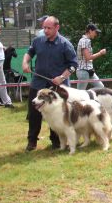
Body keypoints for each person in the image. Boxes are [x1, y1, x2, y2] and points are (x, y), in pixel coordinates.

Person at [22, 16, 77, 151]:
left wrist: (62, 77)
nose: (45, 30)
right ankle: (32, 141)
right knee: (34, 113)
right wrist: (25, 62)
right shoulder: (38, 41)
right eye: (44, 27)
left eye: (49, 28)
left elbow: (73, 65)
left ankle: (57, 141)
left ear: (57, 28)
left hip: (57, 86)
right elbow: (29, 53)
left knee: (57, 114)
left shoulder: (65, 44)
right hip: (38, 83)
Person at [76, 24, 107, 89]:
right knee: (80, 93)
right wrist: (100, 53)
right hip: (83, 71)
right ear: (90, 31)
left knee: (100, 87)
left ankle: (87, 95)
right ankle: (85, 95)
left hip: (89, 70)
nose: (96, 34)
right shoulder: (84, 41)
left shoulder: (87, 41)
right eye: (95, 32)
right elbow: (88, 58)